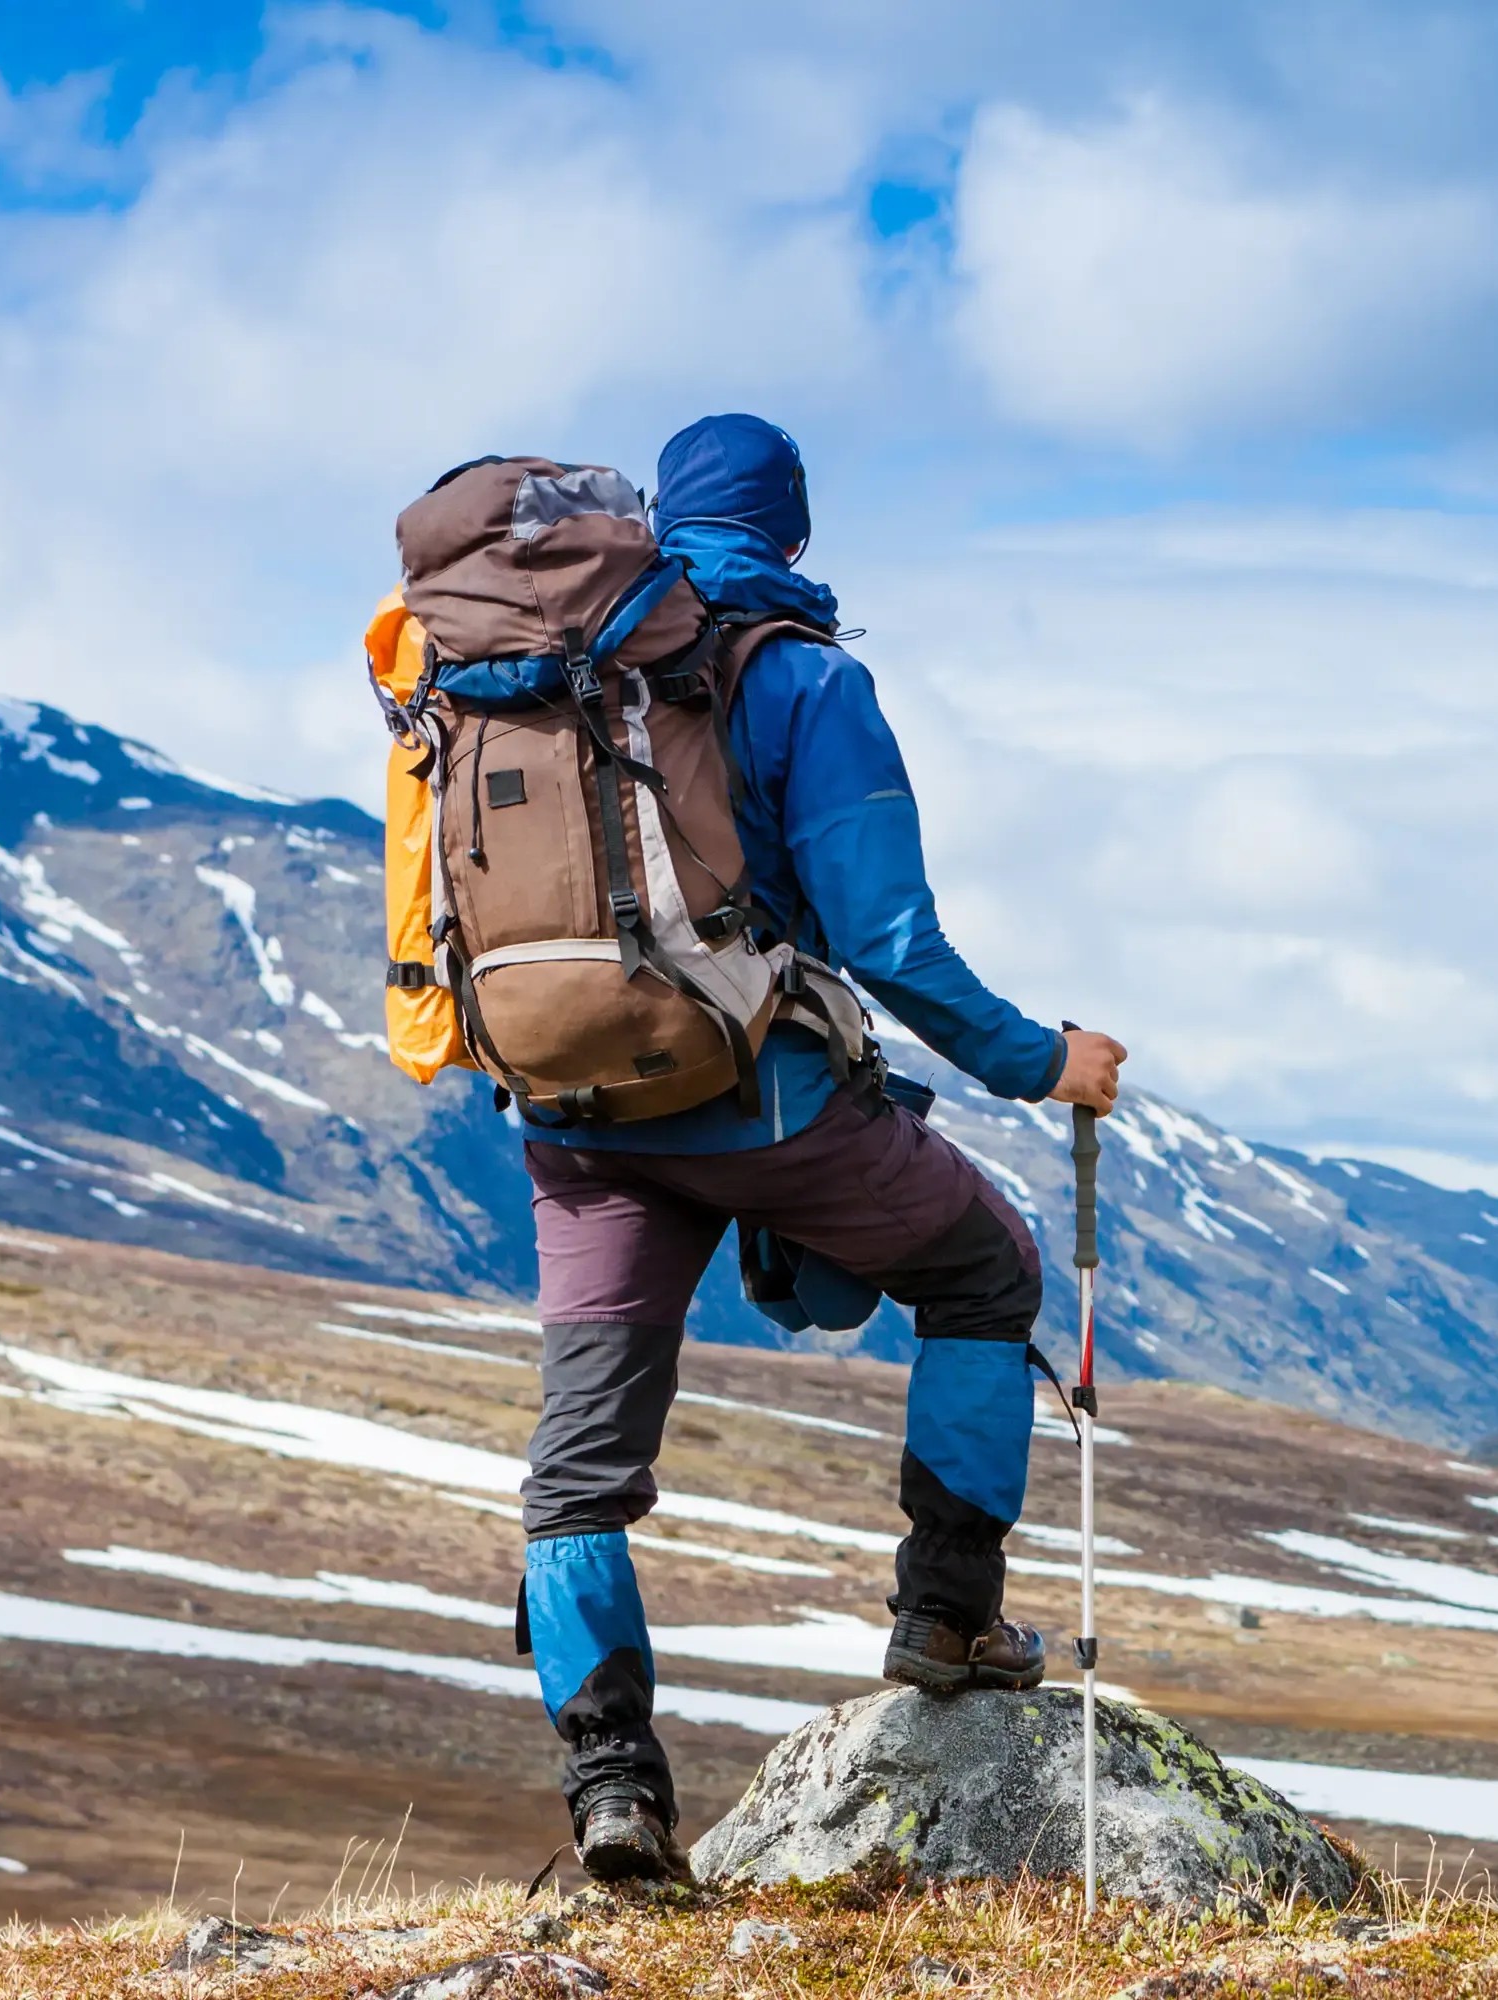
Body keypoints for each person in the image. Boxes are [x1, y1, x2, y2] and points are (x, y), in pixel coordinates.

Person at [512, 413, 1125, 1883]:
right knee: (985, 1271)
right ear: (790, 531)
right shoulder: (799, 673)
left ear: (661, 516)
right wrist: (1044, 1062)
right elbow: (887, 939)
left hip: (577, 1114)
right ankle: (948, 1617)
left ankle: (612, 1788)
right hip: (766, 1104)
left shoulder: (535, 676)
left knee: (578, 1477)